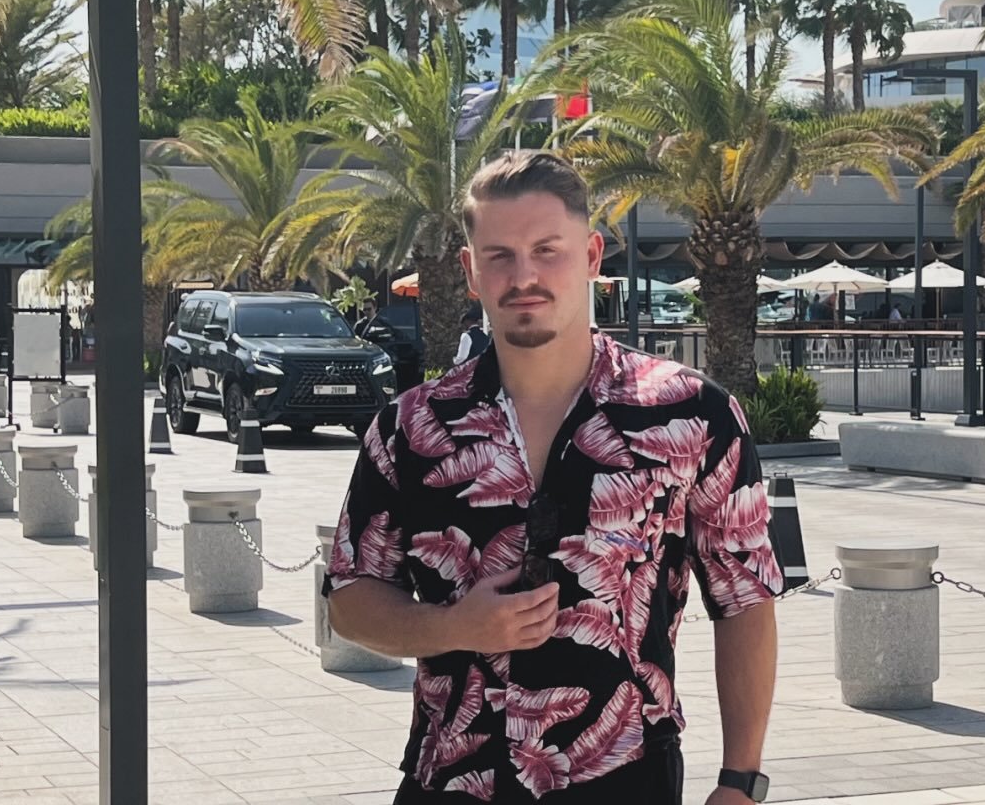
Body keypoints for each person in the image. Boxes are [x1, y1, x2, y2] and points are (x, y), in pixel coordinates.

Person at [325, 151, 780, 805]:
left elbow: (745, 600)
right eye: (500, 256)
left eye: (547, 250)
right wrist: (455, 627)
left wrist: (741, 782)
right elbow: (349, 599)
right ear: (470, 271)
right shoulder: (412, 428)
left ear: (592, 256)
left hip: (625, 779)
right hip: (453, 782)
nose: (525, 276)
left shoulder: (692, 415)